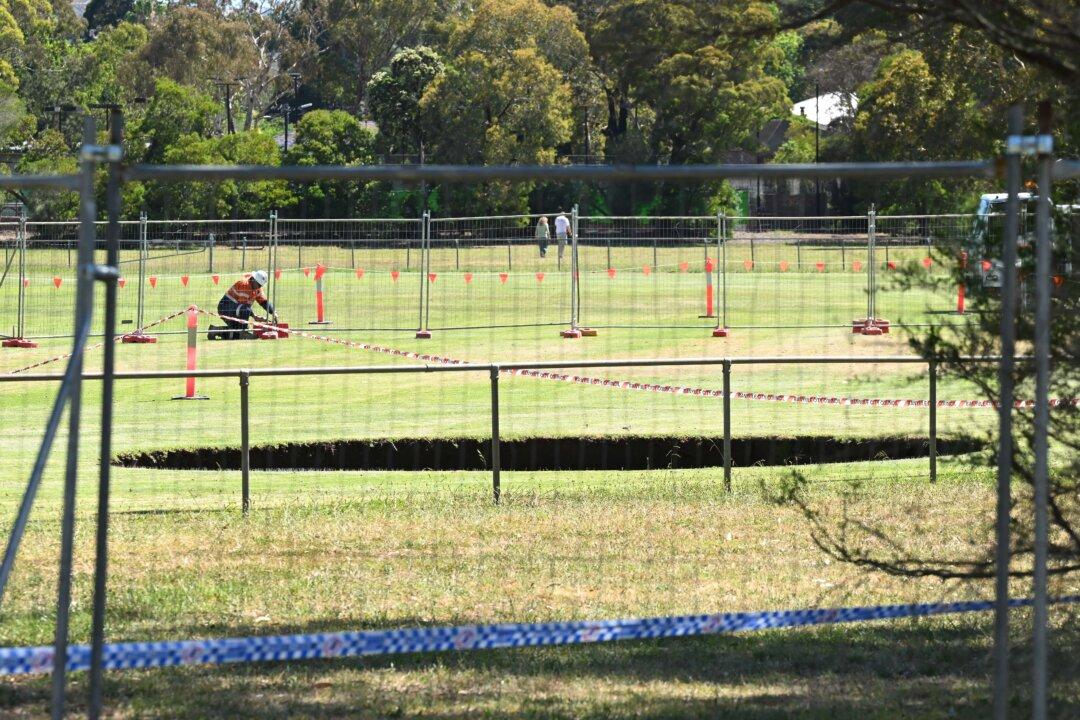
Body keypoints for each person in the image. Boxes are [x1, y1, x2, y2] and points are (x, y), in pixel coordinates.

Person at [210, 270, 276, 339]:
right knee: (245, 311)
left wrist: (273, 312)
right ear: (253, 279)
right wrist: (255, 316)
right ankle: (244, 333)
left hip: (236, 309)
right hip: (225, 308)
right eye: (258, 284)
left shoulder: (257, 288)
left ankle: (215, 330)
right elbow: (243, 306)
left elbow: (264, 302)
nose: (259, 287)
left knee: (236, 332)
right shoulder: (244, 284)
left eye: (260, 285)